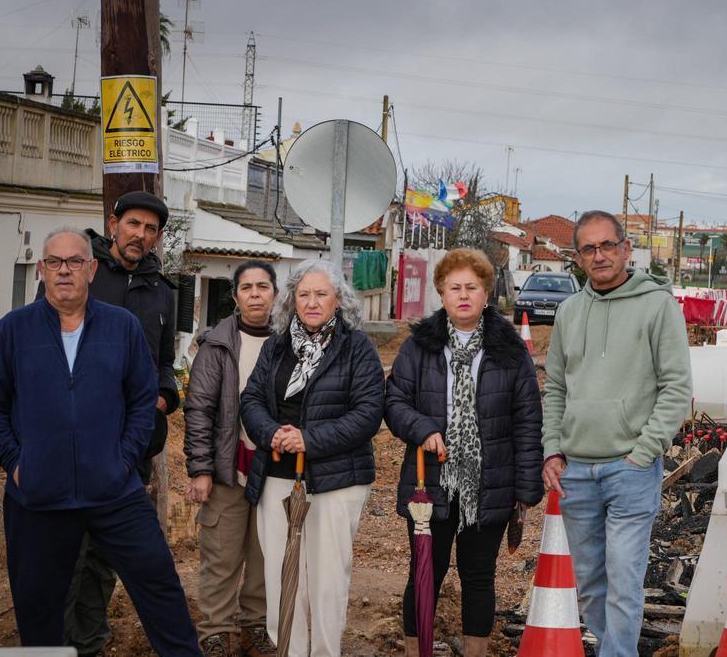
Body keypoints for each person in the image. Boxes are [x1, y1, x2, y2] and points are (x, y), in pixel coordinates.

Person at [0, 227, 201, 655]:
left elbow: (141, 399)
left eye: (75, 262)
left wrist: (123, 459)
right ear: (41, 270)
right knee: (38, 609)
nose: (65, 271)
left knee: (161, 586)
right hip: (39, 497)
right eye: (55, 263)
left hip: (114, 492)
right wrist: (17, 462)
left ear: (92, 269)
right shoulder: (13, 331)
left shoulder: (122, 327)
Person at [540, 211, 692, 657]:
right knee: (590, 587)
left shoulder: (657, 305)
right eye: (589, 248)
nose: (600, 255)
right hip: (576, 472)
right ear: (578, 258)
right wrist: (553, 452)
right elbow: (555, 389)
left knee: (624, 584)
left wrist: (643, 452)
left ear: (627, 249)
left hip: (630, 469)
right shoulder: (569, 312)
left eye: (608, 245)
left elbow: (677, 387)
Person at [39, 191, 182, 655]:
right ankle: (55, 640)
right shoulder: (82, 273)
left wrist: (163, 397)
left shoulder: (161, 289)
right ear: (113, 223)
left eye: (151, 229)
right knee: (63, 551)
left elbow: (164, 361)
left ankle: (90, 638)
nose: (141, 234)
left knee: (105, 553)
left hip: (130, 448)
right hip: (73, 444)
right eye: (134, 224)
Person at [385, 249, 543, 657]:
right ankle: (414, 651)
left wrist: (526, 487)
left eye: (472, 287)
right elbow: (395, 402)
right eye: (454, 287)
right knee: (425, 572)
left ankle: (475, 651)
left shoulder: (511, 351)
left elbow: (528, 418)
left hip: (489, 482)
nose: (463, 295)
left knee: (478, 575)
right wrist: (423, 429)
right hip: (430, 479)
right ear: (441, 293)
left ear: (487, 293)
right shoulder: (419, 346)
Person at [240, 259, 385, 657]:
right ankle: (287, 650)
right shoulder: (276, 346)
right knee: (282, 578)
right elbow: (251, 399)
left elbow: (368, 413)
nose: (312, 301)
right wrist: (273, 434)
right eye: (303, 294)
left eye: (321, 294)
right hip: (277, 476)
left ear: (338, 300)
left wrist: (310, 439)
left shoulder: (357, 348)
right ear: (292, 300)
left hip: (335, 482)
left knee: (325, 582)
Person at [183, 261, 280, 657]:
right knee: (221, 554)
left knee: (264, 553)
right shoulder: (217, 344)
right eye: (247, 287)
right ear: (235, 295)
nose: (255, 294)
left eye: (263, 286)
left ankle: (256, 624)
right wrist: (201, 469)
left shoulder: (290, 340)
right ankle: (215, 631)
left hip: (274, 470)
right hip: (227, 469)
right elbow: (199, 409)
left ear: (275, 293)